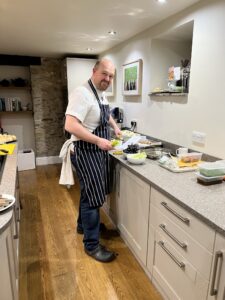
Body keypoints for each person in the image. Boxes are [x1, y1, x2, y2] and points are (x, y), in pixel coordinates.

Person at [65, 58, 121, 263]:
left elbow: (104, 114)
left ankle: (83, 226)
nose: (107, 78)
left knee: (88, 193)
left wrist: (115, 127)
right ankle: (91, 245)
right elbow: (70, 125)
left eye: (111, 76)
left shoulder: (100, 93)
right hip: (85, 151)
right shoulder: (82, 93)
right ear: (94, 71)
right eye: (104, 73)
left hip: (95, 151)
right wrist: (98, 140)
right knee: (93, 200)